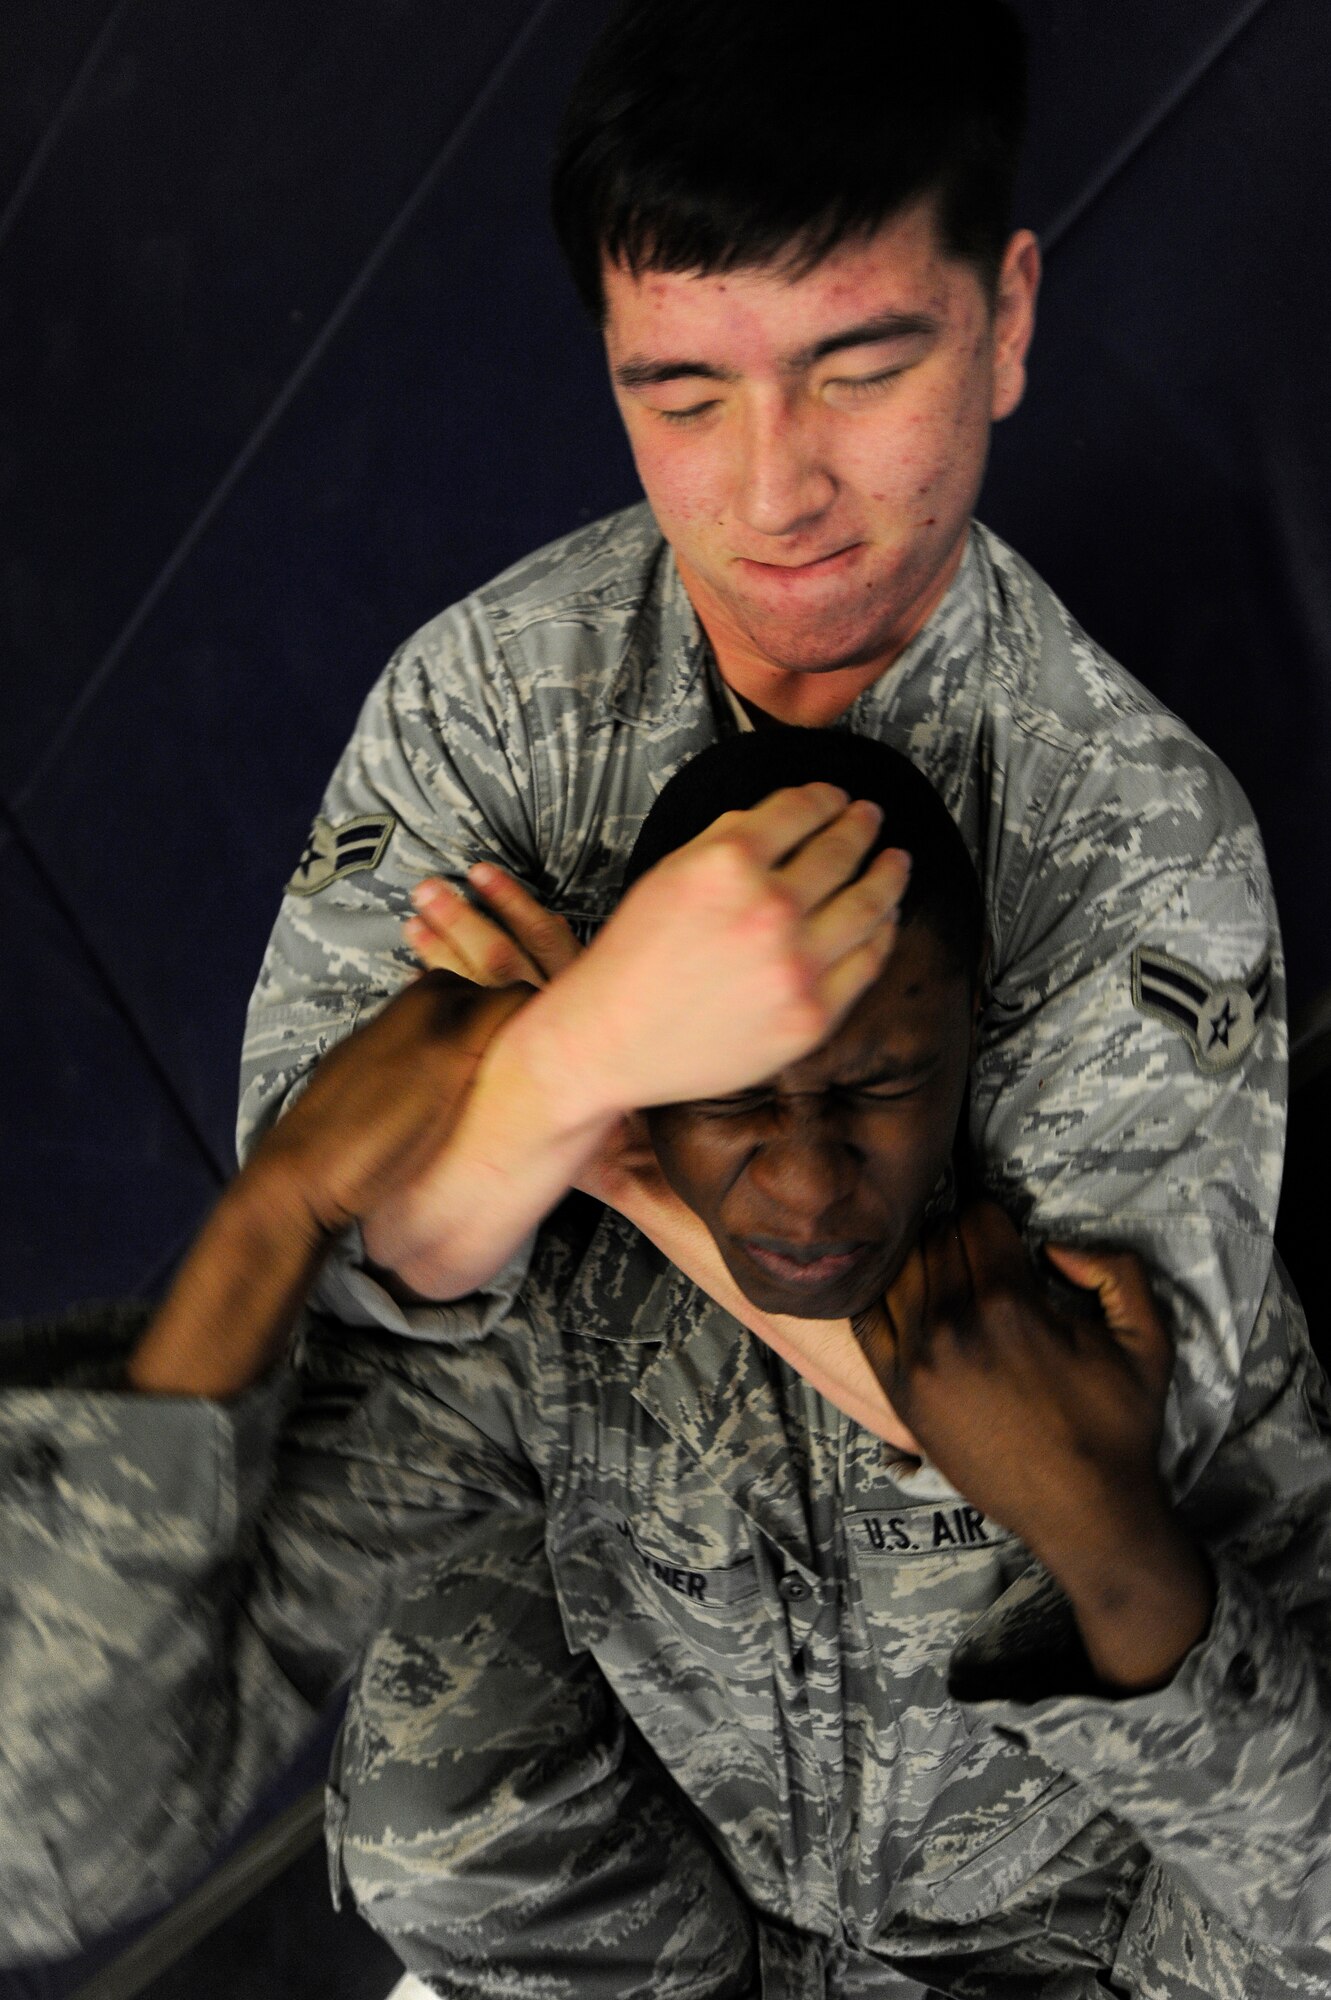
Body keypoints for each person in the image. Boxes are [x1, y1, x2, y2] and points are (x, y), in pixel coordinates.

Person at [3, 731, 1327, 2000]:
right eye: (730, 1089)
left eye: (879, 1088)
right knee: (434, 1743)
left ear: (971, 1023)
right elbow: (34, 1839)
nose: (807, 1187)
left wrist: (1108, 1537)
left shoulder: (1153, 1317)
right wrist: (275, 1215)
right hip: (699, 1950)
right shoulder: (563, 1320)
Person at [240, 0, 1286, 1507]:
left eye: (858, 374)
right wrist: (590, 1053)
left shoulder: (1143, 828)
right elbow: (308, 1269)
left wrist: (582, 1117)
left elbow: (1096, 1472)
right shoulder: (478, 701)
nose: (774, 489)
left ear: (1008, 322)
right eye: (680, 394)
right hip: (580, 1575)